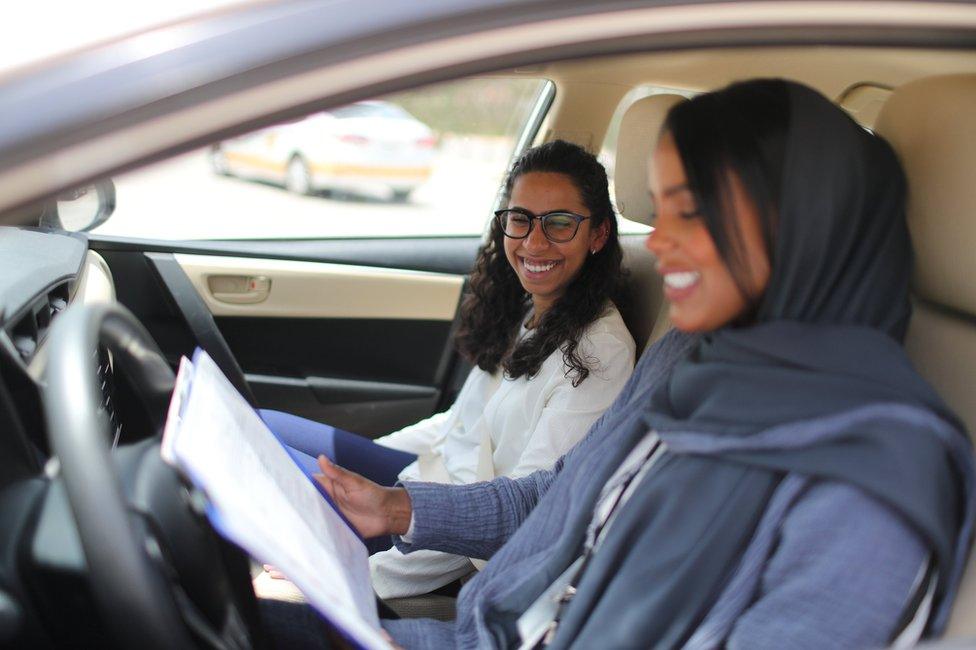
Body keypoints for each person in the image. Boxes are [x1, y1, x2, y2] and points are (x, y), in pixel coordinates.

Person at [266, 79, 975, 649]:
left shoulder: (876, 483)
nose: (659, 242)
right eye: (659, 210)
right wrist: (394, 508)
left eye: (690, 212)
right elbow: (556, 500)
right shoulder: (691, 359)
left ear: (804, 224)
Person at [261, 139, 636, 597]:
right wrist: (365, 462)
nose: (534, 242)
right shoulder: (533, 308)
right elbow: (457, 426)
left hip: (437, 532)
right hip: (420, 481)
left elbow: (515, 510)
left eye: (559, 223)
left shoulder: (598, 354)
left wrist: (363, 574)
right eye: (520, 220)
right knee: (259, 431)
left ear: (598, 234)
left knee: (261, 477)